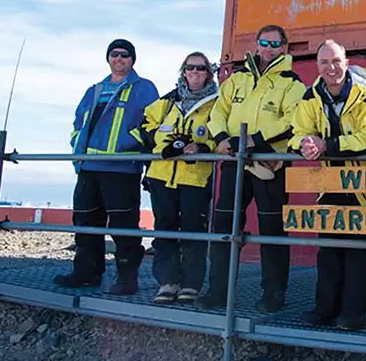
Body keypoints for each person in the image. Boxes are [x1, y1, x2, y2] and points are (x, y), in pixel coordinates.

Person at [201, 25, 306, 313]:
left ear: (284, 48)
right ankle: (218, 291)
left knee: (272, 230)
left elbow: (291, 119)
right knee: (223, 227)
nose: (269, 47)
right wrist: (221, 138)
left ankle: (273, 294)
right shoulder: (237, 80)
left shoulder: (293, 84)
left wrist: (254, 139)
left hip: (268, 163)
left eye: (276, 43)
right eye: (264, 42)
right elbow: (218, 111)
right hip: (234, 161)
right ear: (256, 44)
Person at [289, 39, 366, 330]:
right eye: (324, 62)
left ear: (346, 62)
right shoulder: (310, 97)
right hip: (330, 184)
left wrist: (325, 145)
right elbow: (296, 132)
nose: (331, 68)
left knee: (361, 252)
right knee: (330, 250)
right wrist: (305, 144)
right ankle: (325, 309)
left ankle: (354, 314)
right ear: (317, 66)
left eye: (336, 61)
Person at [55, 38, 159, 295]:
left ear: (132, 60)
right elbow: (79, 122)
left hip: (121, 169)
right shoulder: (95, 89)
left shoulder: (143, 88)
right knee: (86, 222)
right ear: (108, 58)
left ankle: (126, 277)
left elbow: (153, 123)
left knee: (123, 226)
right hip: (89, 168)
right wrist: (76, 145)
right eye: (115, 54)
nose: (119, 59)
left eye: (125, 55)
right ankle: (86, 273)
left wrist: (130, 146)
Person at [137, 52, 219, 304]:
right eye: (190, 68)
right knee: (165, 229)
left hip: (194, 177)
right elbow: (144, 126)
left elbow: (221, 134)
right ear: (183, 71)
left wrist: (200, 147)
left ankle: (191, 285)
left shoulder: (216, 103)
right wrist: (165, 145)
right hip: (162, 176)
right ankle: (167, 282)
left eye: (201, 68)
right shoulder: (168, 101)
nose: (195, 72)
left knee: (193, 231)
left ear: (209, 73)